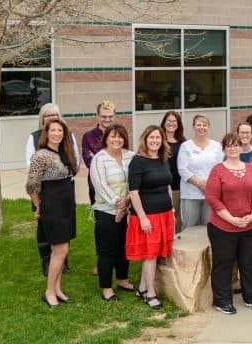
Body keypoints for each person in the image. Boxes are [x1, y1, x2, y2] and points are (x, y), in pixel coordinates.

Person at [205, 132, 252, 315]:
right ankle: (222, 300)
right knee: (224, 263)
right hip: (222, 226)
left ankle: (251, 297)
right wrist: (231, 218)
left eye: (235, 145)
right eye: (228, 145)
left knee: (248, 262)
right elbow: (212, 198)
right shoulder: (218, 170)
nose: (232, 148)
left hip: (249, 225)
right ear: (224, 149)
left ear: (241, 147)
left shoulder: (250, 168)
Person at [27, 118, 79, 307]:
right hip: (52, 206)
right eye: (53, 130)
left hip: (66, 206)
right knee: (60, 250)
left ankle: (57, 289)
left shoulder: (65, 153)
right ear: (46, 133)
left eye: (60, 130)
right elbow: (32, 186)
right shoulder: (41, 155)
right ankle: (49, 292)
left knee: (63, 250)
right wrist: (38, 206)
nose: (57, 133)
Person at [126, 126, 175, 310]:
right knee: (151, 255)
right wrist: (143, 217)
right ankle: (151, 294)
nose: (155, 141)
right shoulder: (138, 161)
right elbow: (134, 192)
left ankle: (141, 288)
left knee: (155, 253)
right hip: (148, 216)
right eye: (151, 137)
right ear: (145, 139)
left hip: (164, 213)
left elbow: (167, 186)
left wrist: (172, 210)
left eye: (158, 138)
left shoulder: (162, 159)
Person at [89, 123, 136, 301]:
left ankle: (123, 279)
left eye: (120, 136)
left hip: (127, 210)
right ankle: (107, 288)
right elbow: (100, 186)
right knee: (107, 250)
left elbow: (135, 180)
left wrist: (127, 202)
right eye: (113, 136)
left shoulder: (131, 156)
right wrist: (119, 204)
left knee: (124, 247)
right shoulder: (99, 159)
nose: (117, 139)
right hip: (106, 211)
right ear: (106, 138)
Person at [177, 115, 223, 230]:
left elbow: (220, 168)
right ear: (193, 127)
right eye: (198, 125)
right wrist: (200, 183)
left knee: (209, 227)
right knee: (189, 228)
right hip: (190, 194)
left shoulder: (216, 146)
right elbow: (182, 169)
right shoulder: (185, 146)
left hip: (211, 193)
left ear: (208, 127)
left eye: (204, 125)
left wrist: (208, 184)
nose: (201, 127)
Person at [81, 101, 117, 205]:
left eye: (110, 116)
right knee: (99, 218)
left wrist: (97, 157)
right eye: (104, 116)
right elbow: (89, 163)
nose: (107, 119)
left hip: (118, 184)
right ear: (97, 116)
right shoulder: (88, 137)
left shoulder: (119, 135)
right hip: (96, 186)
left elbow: (123, 158)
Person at [161, 111, 185, 226]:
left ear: (178, 124)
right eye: (168, 121)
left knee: (181, 219)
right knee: (169, 219)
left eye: (174, 121)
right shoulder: (159, 141)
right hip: (166, 188)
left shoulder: (183, 143)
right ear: (164, 123)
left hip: (183, 187)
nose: (171, 123)